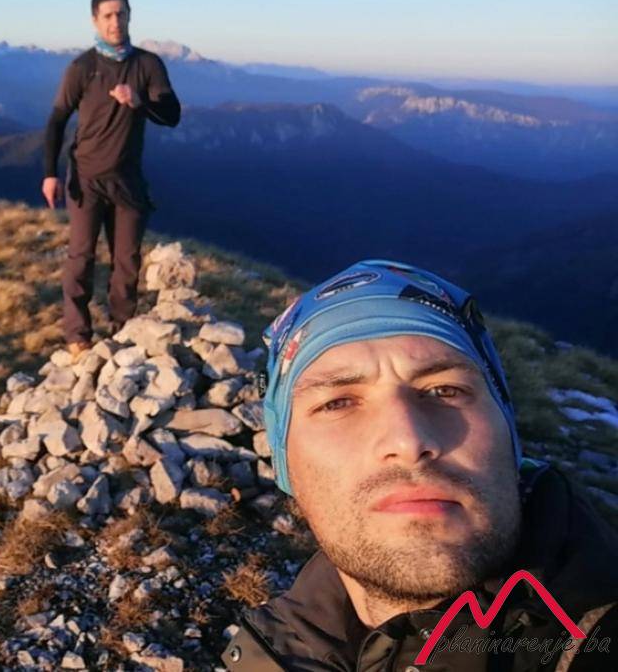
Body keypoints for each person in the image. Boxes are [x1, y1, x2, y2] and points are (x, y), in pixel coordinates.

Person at [223, 259, 618, 671]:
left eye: (445, 390)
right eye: (338, 403)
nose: (407, 440)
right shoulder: (276, 652)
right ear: (285, 465)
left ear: (510, 435)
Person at [43, 0, 181, 358]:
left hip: (128, 181)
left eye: (121, 14)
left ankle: (122, 332)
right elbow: (57, 120)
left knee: (127, 262)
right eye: (107, 15)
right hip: (86, 178)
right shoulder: (82, 68)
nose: (115, 22)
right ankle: (78, 336)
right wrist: (50, 173)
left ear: (130, 16)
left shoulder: (148, 65)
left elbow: (171, 115)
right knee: (81, 257)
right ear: (95, 21)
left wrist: (139, 102)